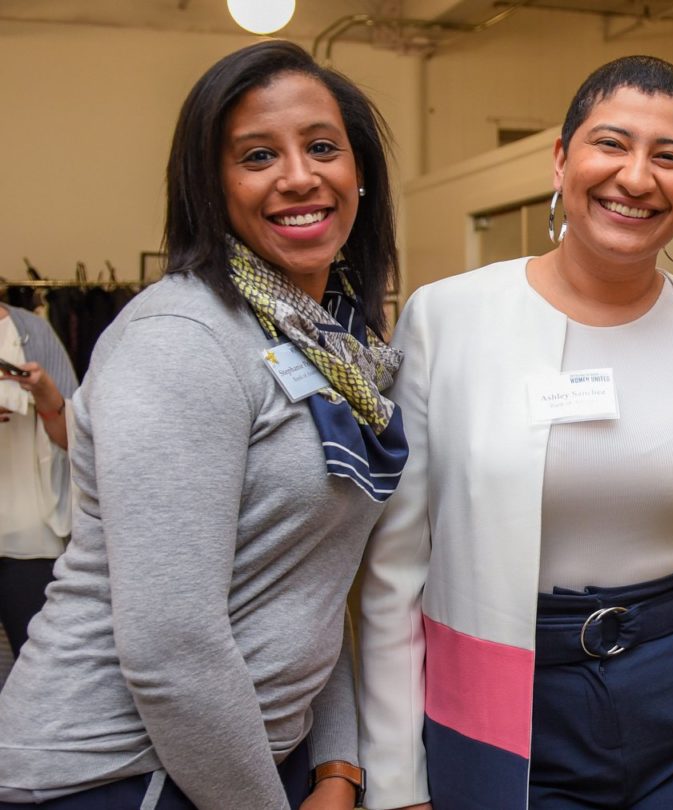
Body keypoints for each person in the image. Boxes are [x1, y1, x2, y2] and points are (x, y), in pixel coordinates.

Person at [356, 55, 673, 810]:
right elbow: (394, 570)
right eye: (611, 144)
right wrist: (394, 779)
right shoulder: (448, 318)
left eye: (668, 157)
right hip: (510, 698)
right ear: (561, 158)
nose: (637, 177)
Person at [0, 40, 406, 809]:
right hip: (113, 771)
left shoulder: (329, 341)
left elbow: (311, 580)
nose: (299, 175)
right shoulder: (183, 339)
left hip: (236, 759)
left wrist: (337, 766)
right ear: (211, 186)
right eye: (257, 155)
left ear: (359, 172)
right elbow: (170, 649)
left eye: (323, 147)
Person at [0, 303, 78, 658]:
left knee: (36, 662)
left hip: (28, 538)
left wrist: (44, 391)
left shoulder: (32, 331)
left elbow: (74, 440)